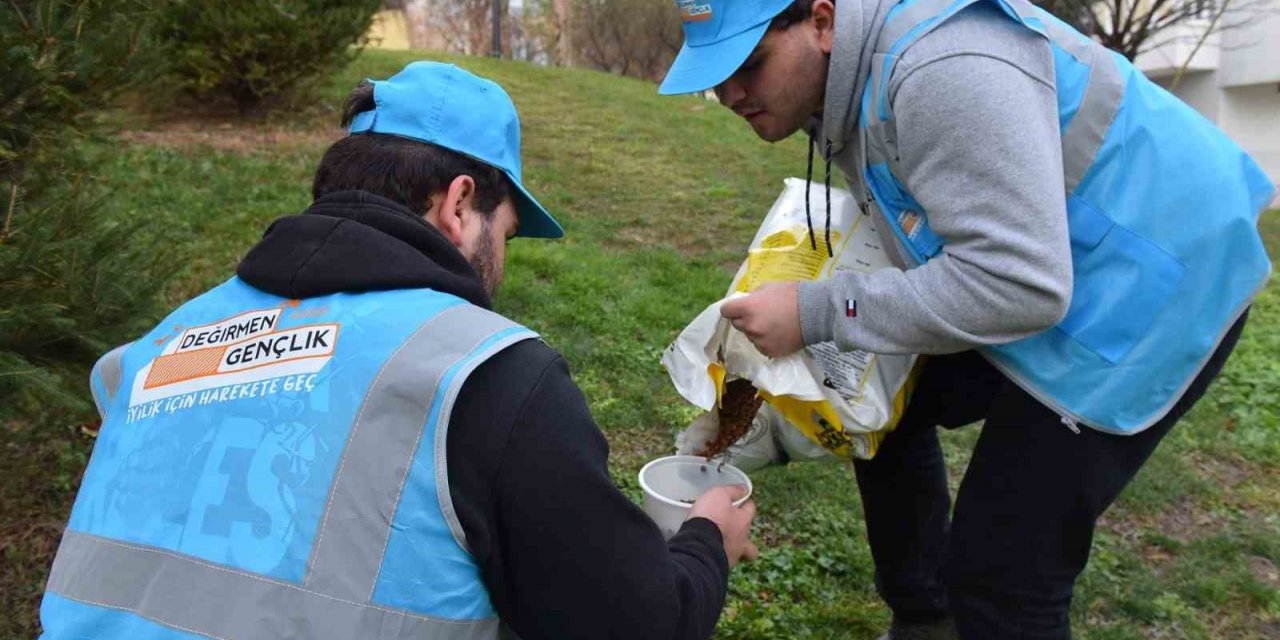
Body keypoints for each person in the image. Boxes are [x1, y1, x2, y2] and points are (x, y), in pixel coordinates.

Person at [38, 61, 758, 640]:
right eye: (502, 233)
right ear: (457, 203)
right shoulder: (486, 375)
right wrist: (705, 543)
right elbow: (638, 622)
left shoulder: (161, 344)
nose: (501, 264)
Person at [657, 0, 1273, 639]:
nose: (729, 93)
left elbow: (1018, 284)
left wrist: (817, 312)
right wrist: (770, 417)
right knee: (889, 414)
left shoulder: (942, 67)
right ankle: (926, 620)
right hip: (1042, 259)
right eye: (716, 70)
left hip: (1151, 281)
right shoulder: (838, 80)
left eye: (750, 64)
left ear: (821, 20)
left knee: (1003, 573)